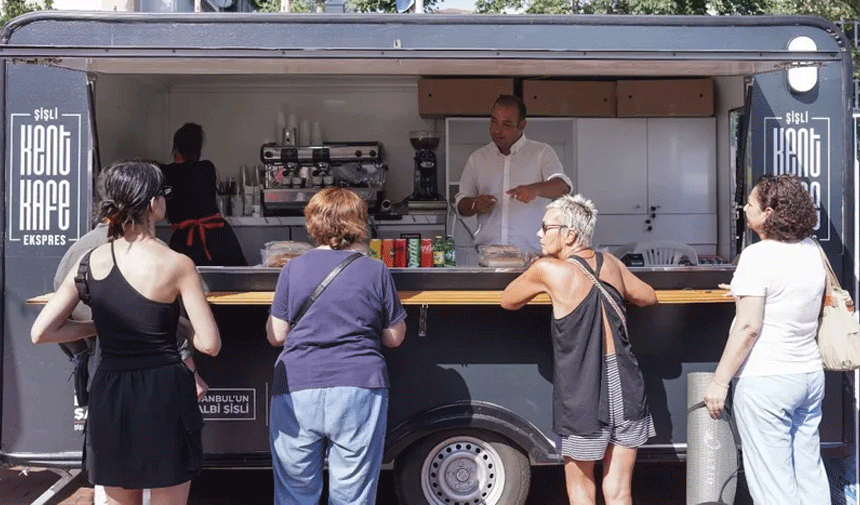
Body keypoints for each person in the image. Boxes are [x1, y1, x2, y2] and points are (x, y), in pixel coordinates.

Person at [31, 161, 221, 505]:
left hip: (111, 391)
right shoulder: (177, 264)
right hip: (165, 393)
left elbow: (41, 331)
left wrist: (101, 326)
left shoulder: (90, 261)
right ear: (153, 204)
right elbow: (209, 344)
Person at [500, 194, 657, 505]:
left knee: (581, 490)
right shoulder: (610, 263)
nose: (539, 234)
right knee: (620, 491)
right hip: (627, 383)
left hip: (583, 391)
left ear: (569, 234)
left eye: (545, 227)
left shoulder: (548, 270)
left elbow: (509, 299)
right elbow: (648, 296)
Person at [266, 187, 407, 504]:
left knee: (294, 492)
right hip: (359, 386)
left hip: (297, 386)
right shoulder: (375, 270)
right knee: (352, 494)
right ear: (359, 223)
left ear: (312, 224)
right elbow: (395, 337)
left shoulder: (292, 268)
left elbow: (276, 335)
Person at [704, 174, 829, 505]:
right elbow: (790, 295)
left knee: (773, 485)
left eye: (750, 204)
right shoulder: (811, 250)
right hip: (809, 375)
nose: (745, 209)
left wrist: (719, 381)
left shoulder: (757, 256)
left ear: (769, 212)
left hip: (766, 379)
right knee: (809, 473)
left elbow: (749, 328)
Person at [456, 94, 573, 253]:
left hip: (532, 260)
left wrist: (534, 189)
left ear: (522, 125)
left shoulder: (541, 152)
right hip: (488, 259)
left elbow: (562, 186)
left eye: (506, 124)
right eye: (494, 122)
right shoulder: (477, 159)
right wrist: (475, 204)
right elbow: (461, 205)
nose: (497, 130)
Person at [160, 122, 247, 266]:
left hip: (184, 241)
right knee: (233, 283)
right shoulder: (206, 168)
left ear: (176, 146)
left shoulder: (166, 172)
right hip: (219, 237)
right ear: (198, 148)